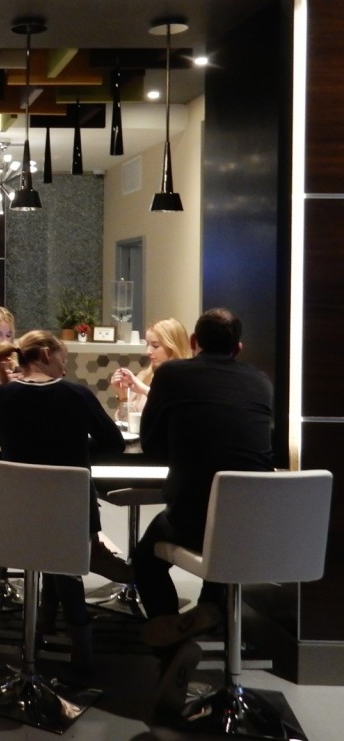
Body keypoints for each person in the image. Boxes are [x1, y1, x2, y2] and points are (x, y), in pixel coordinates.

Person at [132, 308, 274, 719]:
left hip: (193, 519)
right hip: (260, 524)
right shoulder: (261, 382)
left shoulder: (174, 375)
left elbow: (152, 446)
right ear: (239, 348)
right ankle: (209, 611)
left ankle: (170, 645)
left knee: (145, 557)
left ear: (193, 343)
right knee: (224, 550)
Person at [0, 330, 128, 672]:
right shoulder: (77, 395)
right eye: (64, 357)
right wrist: (77, 452)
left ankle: (43, 627)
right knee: (61, 552)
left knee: (46, 546)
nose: (65, 365)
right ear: (45, 354)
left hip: (14, 516)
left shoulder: (2, 395)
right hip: (72, 516)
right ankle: (80, 644)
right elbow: (114, 442)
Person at [110, 317, 191, 413]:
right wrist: (122, 394)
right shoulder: (144, 376)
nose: (148, 351)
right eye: (147, 345)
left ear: (173, 347)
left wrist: (143, 389)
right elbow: (127, 421)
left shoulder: (188, 380)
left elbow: (173, 408)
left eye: (155, 346)